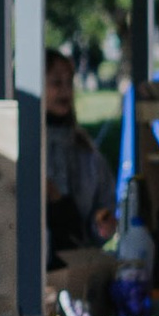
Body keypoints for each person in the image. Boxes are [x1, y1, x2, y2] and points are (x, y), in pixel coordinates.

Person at [42, 47, 117, 252]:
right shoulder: (21, 143)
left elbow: (103, 205)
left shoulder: (84, 147)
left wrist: (102, 224)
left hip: (75, 266)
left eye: (69, 82)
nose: (66, 90)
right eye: (56, 82)